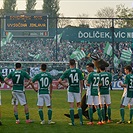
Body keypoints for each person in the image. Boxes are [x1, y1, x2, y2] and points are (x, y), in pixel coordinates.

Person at [58, 59, 83, 126]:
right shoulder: (79, 71)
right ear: (75, 64)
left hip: (70, 89)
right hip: (77, 89)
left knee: (71, 105)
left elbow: (59, 81)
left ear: (69, 64)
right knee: (78, 105)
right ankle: (81, 121)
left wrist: (65, 85)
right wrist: (81, 90)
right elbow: (81, 81)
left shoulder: (67, 71)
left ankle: (72, 122)